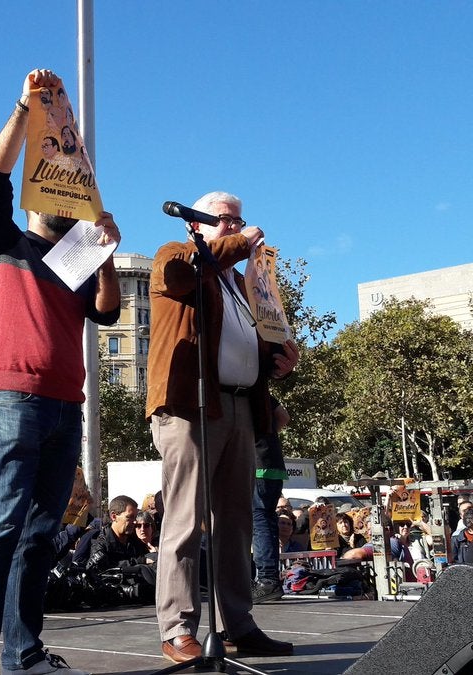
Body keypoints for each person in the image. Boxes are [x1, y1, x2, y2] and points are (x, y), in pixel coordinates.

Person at [0, 68, 120, 675]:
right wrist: (26, 108)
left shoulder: (76, 260)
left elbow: (106, 312)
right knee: (1, 525)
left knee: (41, 533)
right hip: (13, 399)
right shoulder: (5, 241)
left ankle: (24, 651)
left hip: (63, 404)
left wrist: (102, 253)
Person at [146, 190, 300, 663]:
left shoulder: (240, 283)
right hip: (190, 407)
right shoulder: (177, 257)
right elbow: (180, 276)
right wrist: (238, 244)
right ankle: (177, 629)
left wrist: (279, 360)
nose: (235, 226)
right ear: (196, 224)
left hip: (235, 407)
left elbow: (248, 343)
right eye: (225, 219)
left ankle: (238, 623)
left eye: (239, 220)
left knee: (234, 524)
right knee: (185, 520)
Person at [251, 398, 289, 603]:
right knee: (268, 521)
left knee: (260, 522)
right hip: (273, 464)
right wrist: (268, 434)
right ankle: (271, 578)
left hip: (257, 466)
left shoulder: (244, 394)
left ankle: (267, 580)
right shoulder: (264, 396)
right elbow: (284, 416)